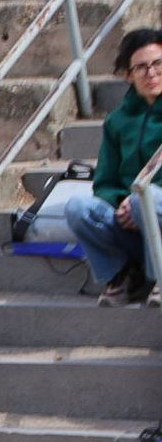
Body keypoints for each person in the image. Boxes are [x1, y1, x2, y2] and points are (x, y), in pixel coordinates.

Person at [65, 28, 162, 308]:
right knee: (78, 208)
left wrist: (139, 201)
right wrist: (122, 204)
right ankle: (125, 276)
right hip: (134, 218)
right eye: (141, 67)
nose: (151, 73)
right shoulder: (117, 121)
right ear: (129, 75)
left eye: (158, 63)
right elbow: (105, 181)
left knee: (145, 198)